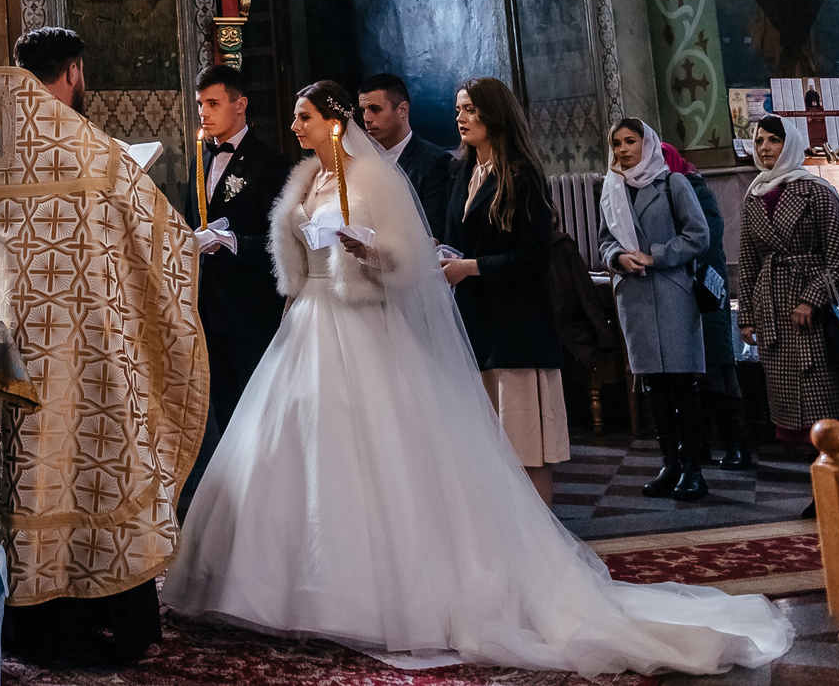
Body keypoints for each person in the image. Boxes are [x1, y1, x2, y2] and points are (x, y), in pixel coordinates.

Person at [163, 90, 792, 675]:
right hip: (309, 321)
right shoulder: (308, 179)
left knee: (372, 454)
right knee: (287, 448)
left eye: (304, 116)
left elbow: (403, 259)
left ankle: (372, 592)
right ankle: (283, 585)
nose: (294, 126)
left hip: (359, 325)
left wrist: (366, 252)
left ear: (332, 121)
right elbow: (292, 251)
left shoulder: (371, 178)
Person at [0, 28, 204, 669]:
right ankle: (101, 617)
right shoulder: (89, 148)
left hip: (8, 344)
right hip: (86, 347)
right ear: (73, 69)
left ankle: (30, 623)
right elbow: (164, 242)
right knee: (93, 472)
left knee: (28, 477)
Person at [442, 75, 569, 502]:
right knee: (487, 450)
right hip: (476, 325)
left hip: (518, 328)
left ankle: (544, 546)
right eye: (459, 109)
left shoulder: (522, 175)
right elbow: (457, 239)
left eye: (471, 110)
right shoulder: (462, 170)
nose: (461, 118)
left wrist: (469, 268)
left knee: (526, 448)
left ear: (494, 115)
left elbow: (533, 258)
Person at [601, 119, 715, 501]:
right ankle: (670, 463)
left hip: (671, 292)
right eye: (617, 143)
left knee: (682, 383)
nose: (623, 150)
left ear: (647, 143)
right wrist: (618, 257)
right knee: (654, 386)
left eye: (631, 141)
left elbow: (698, 235)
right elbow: (605, 240)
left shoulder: (672, 183)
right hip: (634, 295)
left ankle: (693, 469)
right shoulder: (612, 189)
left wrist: (657, 256)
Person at [738, 115, 839, 448]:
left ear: (790, 144)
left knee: (825, 411)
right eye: (760, 141)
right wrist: (748, 316)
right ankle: (817, 490)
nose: (765, 147)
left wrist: (812, 298)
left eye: (774, 140)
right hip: (774, 312)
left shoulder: (817, 192)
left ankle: (837, 489)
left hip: (816, 317)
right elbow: (750, 261)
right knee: (792, 420)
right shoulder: (754, 196)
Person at [187, 65, 291, 443]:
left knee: (259, 414)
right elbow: (190, 223)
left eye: (213, 103)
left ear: (240, 104)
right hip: (209, 312)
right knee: (225, 419)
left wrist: (231, 242)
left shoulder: (269, 163)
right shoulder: (200, 160)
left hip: (251, 311)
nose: (204, 112)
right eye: (200, 104)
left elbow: (279, 241)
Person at [663, 139, 750, 471]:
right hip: (675, 293)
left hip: (704, 290)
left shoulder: (695, 189)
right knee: (683, 378)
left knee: (716, 373)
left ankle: (736, 443)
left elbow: (708, 236)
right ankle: (695, 446)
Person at [358, 72, 452, 236]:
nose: (367, 118)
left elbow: (433, 230)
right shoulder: (361, 162)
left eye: (375, 109)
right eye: (363, 110)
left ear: (402, 109)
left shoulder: (435, 161)